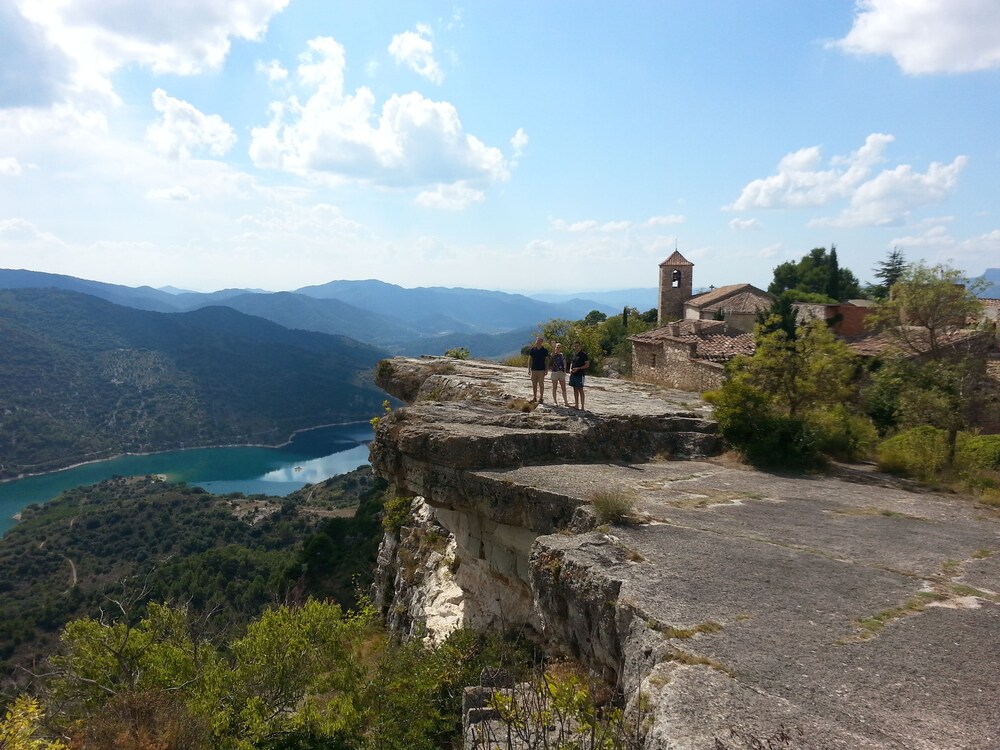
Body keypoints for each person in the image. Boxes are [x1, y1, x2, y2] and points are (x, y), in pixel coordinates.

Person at [526, 336, 550, 402]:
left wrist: (546, 369)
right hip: (533, 370)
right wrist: (528, 369)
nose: (538, 342)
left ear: (542, 342)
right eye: (537, 340)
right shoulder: (532, 349)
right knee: (534, 384)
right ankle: (534, 397)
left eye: (539, 341)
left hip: (541, 370)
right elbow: (529, 359)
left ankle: (541, 398)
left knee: (541, 384)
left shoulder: (545, 350)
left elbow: (547, 360)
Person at [568, 341, 589, 410]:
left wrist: (578, 368)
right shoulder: (573, 354)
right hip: (573, 374)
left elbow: (587, 365)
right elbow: (572, 362)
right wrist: (570, 369)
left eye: (577, 346)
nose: (576, 347)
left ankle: (582, 406)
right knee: (575, 389)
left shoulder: (584, 355)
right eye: (575, 346)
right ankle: (576, 405)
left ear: (580, 346)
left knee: (580, 390)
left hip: (580, 375)